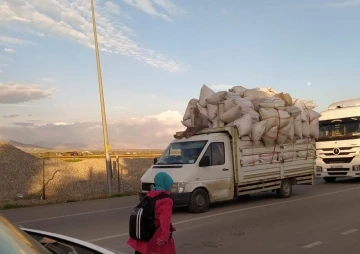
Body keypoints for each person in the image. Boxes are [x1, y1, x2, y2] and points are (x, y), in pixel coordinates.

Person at [127, 172, 176, 254]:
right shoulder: (166, 200)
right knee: (167, 250)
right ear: (166, 184)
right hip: (156, 233)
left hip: (145, 231)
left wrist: (170, 226)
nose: (170, 188)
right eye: (170, 185)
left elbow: (153, 212)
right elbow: (164, 219)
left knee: (143, 250)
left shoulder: (150, 194)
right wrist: (164, 236)